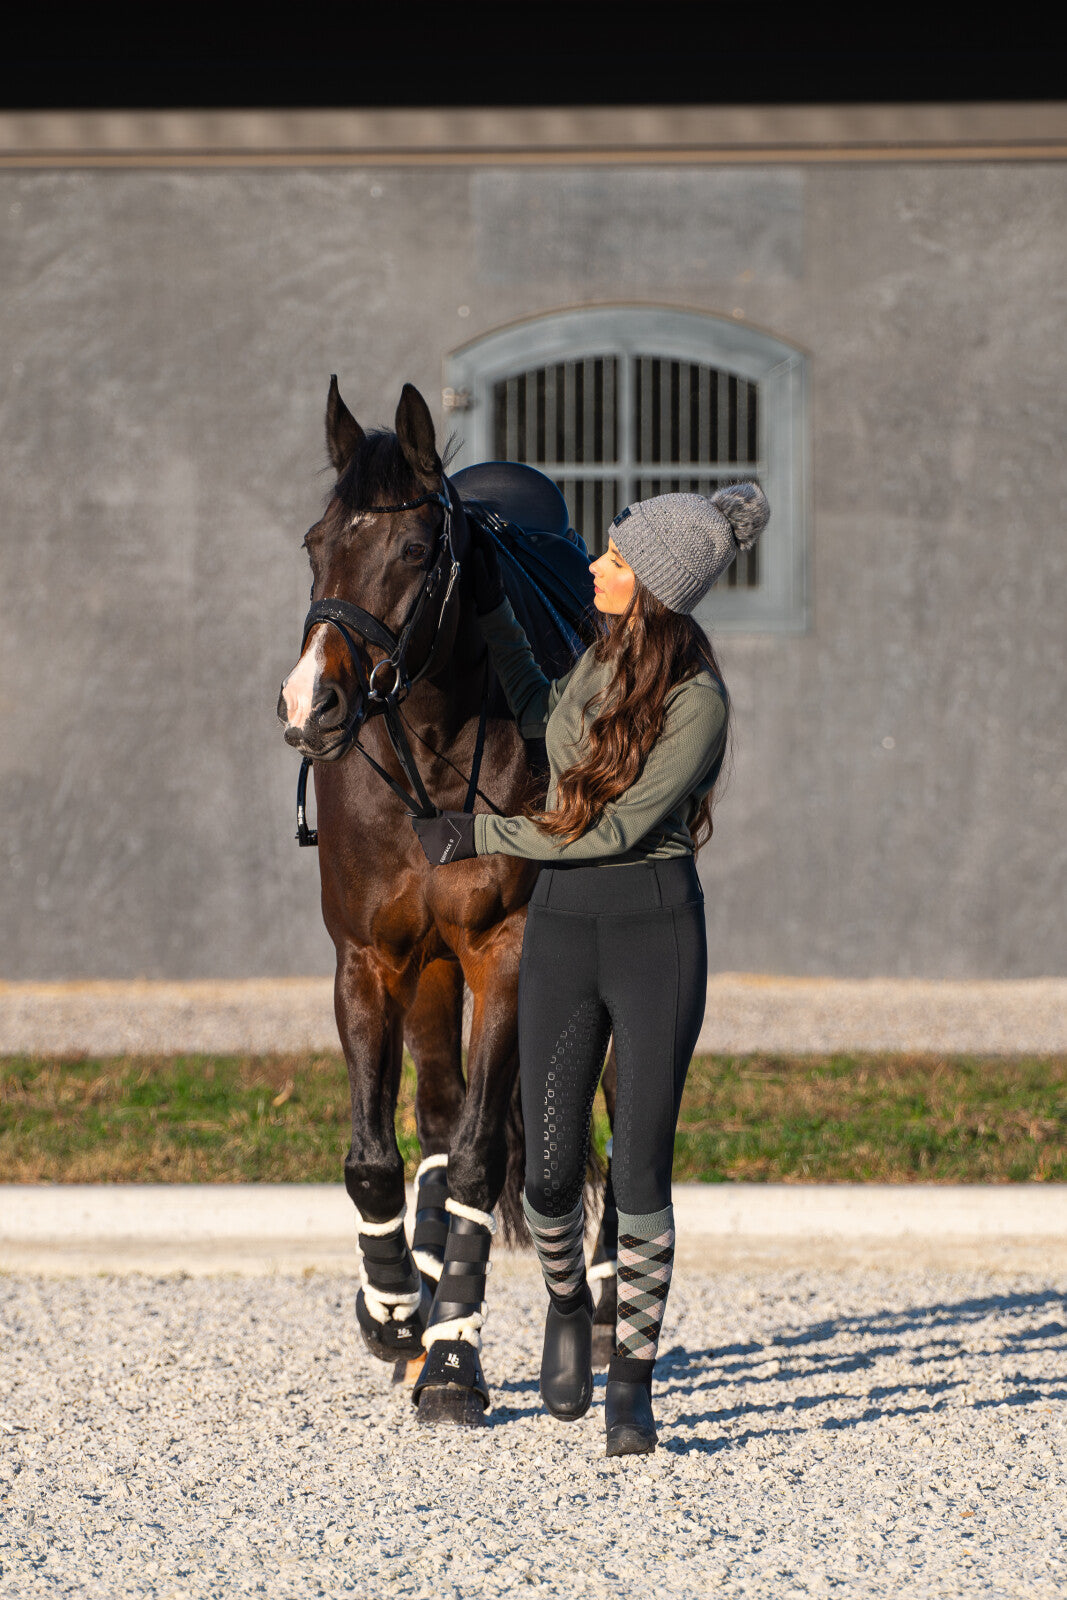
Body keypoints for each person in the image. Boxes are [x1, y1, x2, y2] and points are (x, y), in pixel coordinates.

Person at [412, 483, 769, 1456]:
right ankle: (566, 1302)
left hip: (654, 931)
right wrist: (486, 608)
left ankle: (633, 1382)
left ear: (652, 586)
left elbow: (610, 826)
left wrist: (474, 833)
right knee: (551, 1177)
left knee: (642, 1167)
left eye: (614, 559)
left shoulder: (697, 702)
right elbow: (540, 715)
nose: (596, 566)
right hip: (563, 928)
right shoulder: (596, 657)